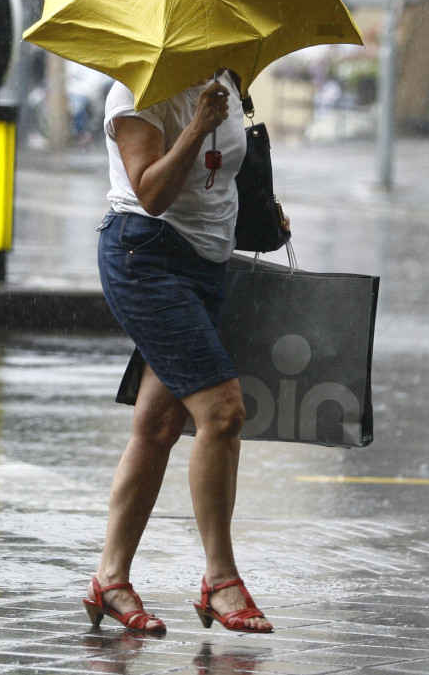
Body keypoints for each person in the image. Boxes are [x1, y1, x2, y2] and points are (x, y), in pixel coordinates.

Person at [83, 68, 273, 636]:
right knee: (222, 412)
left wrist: (263, 210)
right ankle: (221, 580)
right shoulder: (136, 92)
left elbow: (225, 178)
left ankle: (110, 580)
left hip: (207, 268)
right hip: (146, 257)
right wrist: (196, 126)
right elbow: (153, 193)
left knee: (159, 424)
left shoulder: (226, 83)